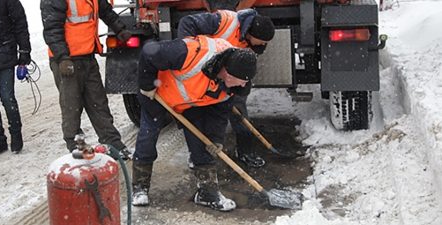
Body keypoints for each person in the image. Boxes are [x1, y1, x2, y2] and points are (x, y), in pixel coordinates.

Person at [133, 35, 257, 211]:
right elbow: (149, 53)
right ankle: (140, 188)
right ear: (227, 72)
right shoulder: (190, 53)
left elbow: (219, 116)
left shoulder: (232, 87)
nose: (243, 85)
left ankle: (207, 193)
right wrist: (147, 86)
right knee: (148, 135)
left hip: (191, 103)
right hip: (157, 95)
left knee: (203, 141)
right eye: (241, 80)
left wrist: (216, 140)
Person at [177, 7, 275, 168]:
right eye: (263, 41)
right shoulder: (225, 21)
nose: (263, 45)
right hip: (203, 73)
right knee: (200, 114)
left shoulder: (252, 43)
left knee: (238, 107)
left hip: (227, 76)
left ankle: (245, 151)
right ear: (253, 33)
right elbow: (187, 23)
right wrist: (190, 54)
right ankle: (199, 156)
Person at [40, 0, 132, 158]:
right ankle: (76, 145)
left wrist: (120, 28)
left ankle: (113, 143)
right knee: (72, 106)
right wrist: (63, 58)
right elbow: (52, 29)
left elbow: (105, 10)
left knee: (99, 103)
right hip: (67, 60)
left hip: (87, 57)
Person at [0, 0, 31, 156]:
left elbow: (20, 23)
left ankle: (16, 134)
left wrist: (24, 50)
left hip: (5, 50)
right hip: (1, 49)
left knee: (7, 97)